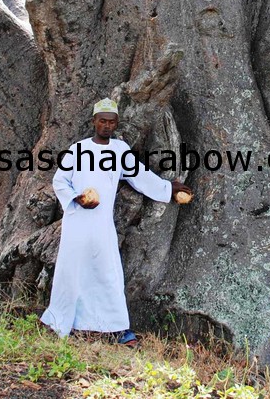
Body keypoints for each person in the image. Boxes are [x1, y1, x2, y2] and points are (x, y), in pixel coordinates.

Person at [40, 97, 192, 347]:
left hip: (102, 223)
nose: (107, 126)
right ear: (94, 122)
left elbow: (140, 177)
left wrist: (168, 188)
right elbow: (59, 181)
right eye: (102, 121)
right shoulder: (78, 149)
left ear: (116, 123)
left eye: (111, 122)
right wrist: (76, 199)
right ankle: (58, 321)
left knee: (108, 272)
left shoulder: (120, 151)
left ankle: (117, 328)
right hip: (77, 221)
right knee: (71, 272)